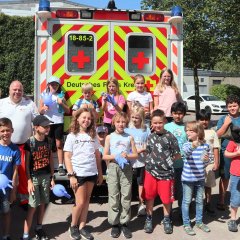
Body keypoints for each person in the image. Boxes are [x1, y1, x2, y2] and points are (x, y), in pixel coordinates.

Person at [64, 108, 103, 240]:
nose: (86, 120)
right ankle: (73, 226)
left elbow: (97, 156)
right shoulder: (71, 136)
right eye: (84, 118)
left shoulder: (93, 136)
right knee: (80, 202)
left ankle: (82, 227)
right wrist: (71, 175)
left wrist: (100, 173)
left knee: (86, 201)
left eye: (89, 118)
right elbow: (67, 157)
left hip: (91, 172)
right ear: (78, 119)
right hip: (78, 174)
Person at [0, 80, 38, 207]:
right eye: (14, 89)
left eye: (20, 90)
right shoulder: (1, 103)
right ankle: (6, 197)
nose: (17, 92)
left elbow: (37, 120)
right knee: (4, 172)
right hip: (4, 145)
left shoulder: (29, 103)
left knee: (23, 172)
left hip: (23, 145)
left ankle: (23, 199)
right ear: (9, 90)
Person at [143, 109, 181, 235]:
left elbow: (177, 155)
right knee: (149, 197)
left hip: (166, 174)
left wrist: (167, 161)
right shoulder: (150, 136)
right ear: (151, 124)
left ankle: (167, 219)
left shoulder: (170, 137)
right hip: (150, 172)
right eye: (155, 123)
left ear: (164, 121)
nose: (158, 125)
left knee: (166, 199)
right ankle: (149, 219)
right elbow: (148, 151)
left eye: (160, 122)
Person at [103, 112, 138, 239]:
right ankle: (115, 224)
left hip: (126, 168)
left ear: (126, 123)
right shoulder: (109, 137)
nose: (121, 124)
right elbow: (104, 155)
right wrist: (116, 156)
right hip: (113, 167)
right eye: (118, 122)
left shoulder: (129, 137)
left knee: (126, 195)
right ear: (113, 123)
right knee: (113, 195)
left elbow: (135, 154)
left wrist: (127, 156)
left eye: (123, 122)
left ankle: (124, 223)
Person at [22, 115, 55, 240]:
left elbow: (51, 159)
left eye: (48, 126)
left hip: (46, 176)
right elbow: (26, 164)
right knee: (32, 206)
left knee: (42, 204)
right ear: (36, 128)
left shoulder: (49, 140)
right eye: (45, 126)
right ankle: (25, 234)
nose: (48, 128)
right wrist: (29, 181)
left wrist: (52, 177)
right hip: (34, 178)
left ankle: (39, 228)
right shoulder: (29, 142)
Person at [181, 121, 211, 236]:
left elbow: (206, 162)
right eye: (187, 130)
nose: (187, 132)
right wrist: (194, 145)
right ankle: (187, 224)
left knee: (199, 201)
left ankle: (199, 222)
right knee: (187, 201)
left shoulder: (206, 146)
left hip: (200, 178)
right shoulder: (187, 144)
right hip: (188, 179)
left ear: (198, 133)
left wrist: (206, 160)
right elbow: (187, 152)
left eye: (191, 131)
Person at [39, 76, 70, 176]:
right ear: (48, 85)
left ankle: (61, 166)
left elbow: (67, 111)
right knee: (47, 144)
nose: (54, 86)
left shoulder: (61, 96)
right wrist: (43, 108)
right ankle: (46, 164)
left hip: (58, 122)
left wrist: (61, 103)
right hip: (47, 123)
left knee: (58, 144)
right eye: (52, 84)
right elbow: (40, 111)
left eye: (56, 84)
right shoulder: (44, 95)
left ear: (58, 86)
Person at [125, 106, 150, 216]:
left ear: (142, 118)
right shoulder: (126, 129)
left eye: (137, 118)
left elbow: (149, 144)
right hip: (129, 162)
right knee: (127, 183)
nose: (134, 119)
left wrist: (144, 149)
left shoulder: (146, 129)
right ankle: (126, 205)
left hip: (141, 161)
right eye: (133, 117)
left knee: (141, 183)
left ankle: (141, 203)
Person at [216, 94, 240, 211]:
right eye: (230, 106)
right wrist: (226, 124)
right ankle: (222, 200)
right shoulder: (222, 119)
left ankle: (236, 199)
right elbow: (217, 135)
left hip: (239, 153)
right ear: (227, 107)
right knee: (225, 176)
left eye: (234, 105)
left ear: (238, 106)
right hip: (225, 151)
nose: (232, 108)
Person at [164, 102, 187, 216]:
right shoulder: (166, 126)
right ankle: (168, 215)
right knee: (169, 192)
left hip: (182, 166)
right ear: (171, 114)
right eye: (175, 113)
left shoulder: (187, 128)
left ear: (184, 114)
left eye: (180, 113)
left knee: (182, 190)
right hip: (168, 166)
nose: (178, 116)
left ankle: (183, 214)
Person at [0, 118, 21, 240]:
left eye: (8, 130)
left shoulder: (15, 150)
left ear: (12, 131)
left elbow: (15, 171)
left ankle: (6, 235)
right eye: (2, 130)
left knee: (6, 211)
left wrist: (13, 191)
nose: (5, 133)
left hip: (6, 188)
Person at [197, 109, 220, 216]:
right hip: (196, 164)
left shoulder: (212, 132)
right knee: (198, 185)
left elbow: (216, 148)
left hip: (209, 163)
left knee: (208, 185)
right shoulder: (195, 132)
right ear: (198, 120)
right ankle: (198, 204)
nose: (204, 122)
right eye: (202, 119)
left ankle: (208, 203)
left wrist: (216, 162)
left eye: (206, 119)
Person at [224, 133, 240, 232]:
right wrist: (237, 154)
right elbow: (226, 153)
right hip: (236, 173)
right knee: (236, 197)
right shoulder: (234, 141)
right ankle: (233, 219)